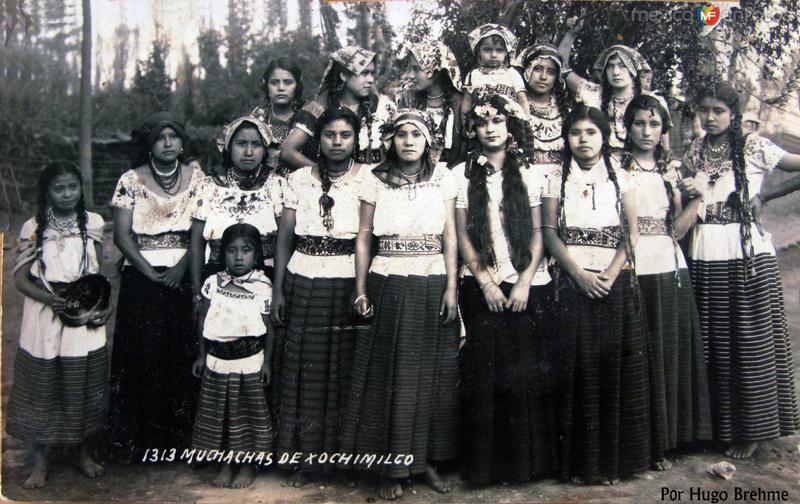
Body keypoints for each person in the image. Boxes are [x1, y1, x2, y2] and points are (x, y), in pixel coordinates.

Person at [341, 109, 459, 500]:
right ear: (390, 140)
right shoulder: (374, 181)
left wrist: (452, 290)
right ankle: (391, 467)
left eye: (417, 135)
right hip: (388, 279)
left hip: (432, 280)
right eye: (401, 134)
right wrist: (361, 289)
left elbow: (450, 239)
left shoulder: (442, 178)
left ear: (429, 141)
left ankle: (425, 462)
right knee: (391, 375)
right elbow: (363, 237)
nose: (409, 141)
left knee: (430, 377)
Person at [679, 82, 800, 459]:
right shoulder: (695, 150)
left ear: (733, 114)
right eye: (705, 110)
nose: (710, 118)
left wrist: (765, 195)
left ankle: (750, 430)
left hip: (744, 251)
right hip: (703, 249)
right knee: (712, 342)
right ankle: (717, 428)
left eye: (718, 111)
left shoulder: (753, 146)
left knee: (747, 341)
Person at [542, 105, 651, 485]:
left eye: (591, 132)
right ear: (566, 137)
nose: (583, 139)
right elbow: (550, 232)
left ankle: (611, 462)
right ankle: (577, 464)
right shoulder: (555, 179)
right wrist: (578, 274)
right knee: (577, 370)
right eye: (575, 132)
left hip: (612, 282)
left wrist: (607, 274)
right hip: (572, 283)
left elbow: (631, 234)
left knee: (611, 370)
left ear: (605, 136)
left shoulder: (622, 178)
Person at [452, 95, 557, 484]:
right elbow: (462, 233)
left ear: (510, 127)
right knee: (485, 376)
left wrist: (524, 281)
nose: (491, 128)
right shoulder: (460, 174)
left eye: (498, 120)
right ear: (473, 129)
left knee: (523, 373)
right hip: (483, 286)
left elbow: (538, 233)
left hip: (528, 285)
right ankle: (485, 469)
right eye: (483, 122)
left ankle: (525, 467)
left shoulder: (530, 174)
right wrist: (486, 282)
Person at [271, 107, 366, 487]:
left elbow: (366, 236)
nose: (337, 142)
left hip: (346, 278)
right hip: (303, 276)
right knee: (304, 370)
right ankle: (305, 458)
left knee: (342, 369)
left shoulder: (369, 179)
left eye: (345, 135)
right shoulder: (297, 179)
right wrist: (278, 288)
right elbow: (284, 238)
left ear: (356, 139)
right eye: (330, 135)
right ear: (319, 139)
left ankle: (340, 459)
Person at [7, 162, 111, 489]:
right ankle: (39, 461)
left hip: (83, 316)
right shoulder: (32, 228)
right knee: (44, 387)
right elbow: (20, 279)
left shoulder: (92, 223)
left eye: (72, 188)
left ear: (81, 189)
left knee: (83, 384)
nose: (67, 195)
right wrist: (46, 298)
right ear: (46, 192)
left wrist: (102, 309)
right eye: (58, 188)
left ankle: (83, 453)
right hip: (45, 315)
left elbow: (99, 275)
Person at [621, 94, 713, 461]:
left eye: (654, 124)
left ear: (663, 130)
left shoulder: (672, 172)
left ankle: (670, 439)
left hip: (668, 266)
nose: (647, 131)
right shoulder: (614, 167)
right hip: (629, 267)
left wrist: (696, 200)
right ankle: (642, 442)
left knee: (666, 352)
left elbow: (676, 229)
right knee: (636, 354)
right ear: (626, 127)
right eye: (640, 123)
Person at [108, 112, 204, 461]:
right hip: (142, 274)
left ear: (182, 141)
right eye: (160, 138)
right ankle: (140, 441)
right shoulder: (130, 180)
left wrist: (182, 268)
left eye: (174, 137)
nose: (168, 144)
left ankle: (178, 441)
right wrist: (149, 271)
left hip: (185, 270)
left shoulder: (197, 177)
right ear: (149, 143)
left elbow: (199, 229)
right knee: (143, 355)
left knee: (180, 352)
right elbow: (121, 235)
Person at [191, 223, 274, 488]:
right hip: (217, 361)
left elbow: (269, 328)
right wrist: (202, 356)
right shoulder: (212, 283)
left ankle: (248, 465)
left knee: (247, 414)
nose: (239, 257)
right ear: (222, 254)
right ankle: (226, 462)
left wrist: (268, 362)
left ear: (256, 253)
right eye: (232, 251)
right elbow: (202, 320)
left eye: (246, 251)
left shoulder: (263, 285)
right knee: (222, 414)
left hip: (249, 361)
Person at [190, 115, 283, 293]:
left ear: (264, 150)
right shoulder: (209, 186)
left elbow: (284, 242)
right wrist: (196, 289)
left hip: (265, 276)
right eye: (241, 144)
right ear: (228, 147)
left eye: (255, 144)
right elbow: (197, 242)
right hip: (216, 274)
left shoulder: (277, 186)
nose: (248, 152)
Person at [558, 19, 668, 151]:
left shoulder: (654, 102)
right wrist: (571, 34)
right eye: (610, 67)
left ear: (633, 70)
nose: (616, 72)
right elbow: (562, 68)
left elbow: (664, 147)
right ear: (604, 71)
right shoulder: (593, 93)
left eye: (622, 66)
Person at [280, 46, 396, 170]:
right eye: (364, 73)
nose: (370, 80)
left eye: (372, 73)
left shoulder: (381, 105)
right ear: (344, 75)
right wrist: (322, 174)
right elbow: (287, 151)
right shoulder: (319, 108)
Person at [396, 42, 465, 166]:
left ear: (435, 70)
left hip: (452, 174)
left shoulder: (458, 102)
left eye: (417, 69)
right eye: (409, 69)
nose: (410, 75)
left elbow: (463, 148)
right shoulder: (409, 99)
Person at [515, 43, 571, 183]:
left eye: (551, 72)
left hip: (560, 178)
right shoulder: (514, 107)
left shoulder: (565, 110)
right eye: (537, 69)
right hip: (525, 178)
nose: (544, 77)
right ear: (527, 70)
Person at [461, 24, 530, 123]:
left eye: (499, 50)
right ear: (479, 51)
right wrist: (465, 125)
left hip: (509, 125)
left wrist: (526, 125)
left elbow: (522, 100)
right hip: (481, 125)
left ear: (506, 52)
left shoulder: (512, 74)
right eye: (487, 50)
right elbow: (467, 102)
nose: (493, 55)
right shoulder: (474, 74)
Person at [251, 58, 305, 172]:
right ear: (265, 84)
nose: (281, 88)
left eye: (288, 82)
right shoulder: (258, 116)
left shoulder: (308, 114)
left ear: (298, 84)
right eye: (274, 82)